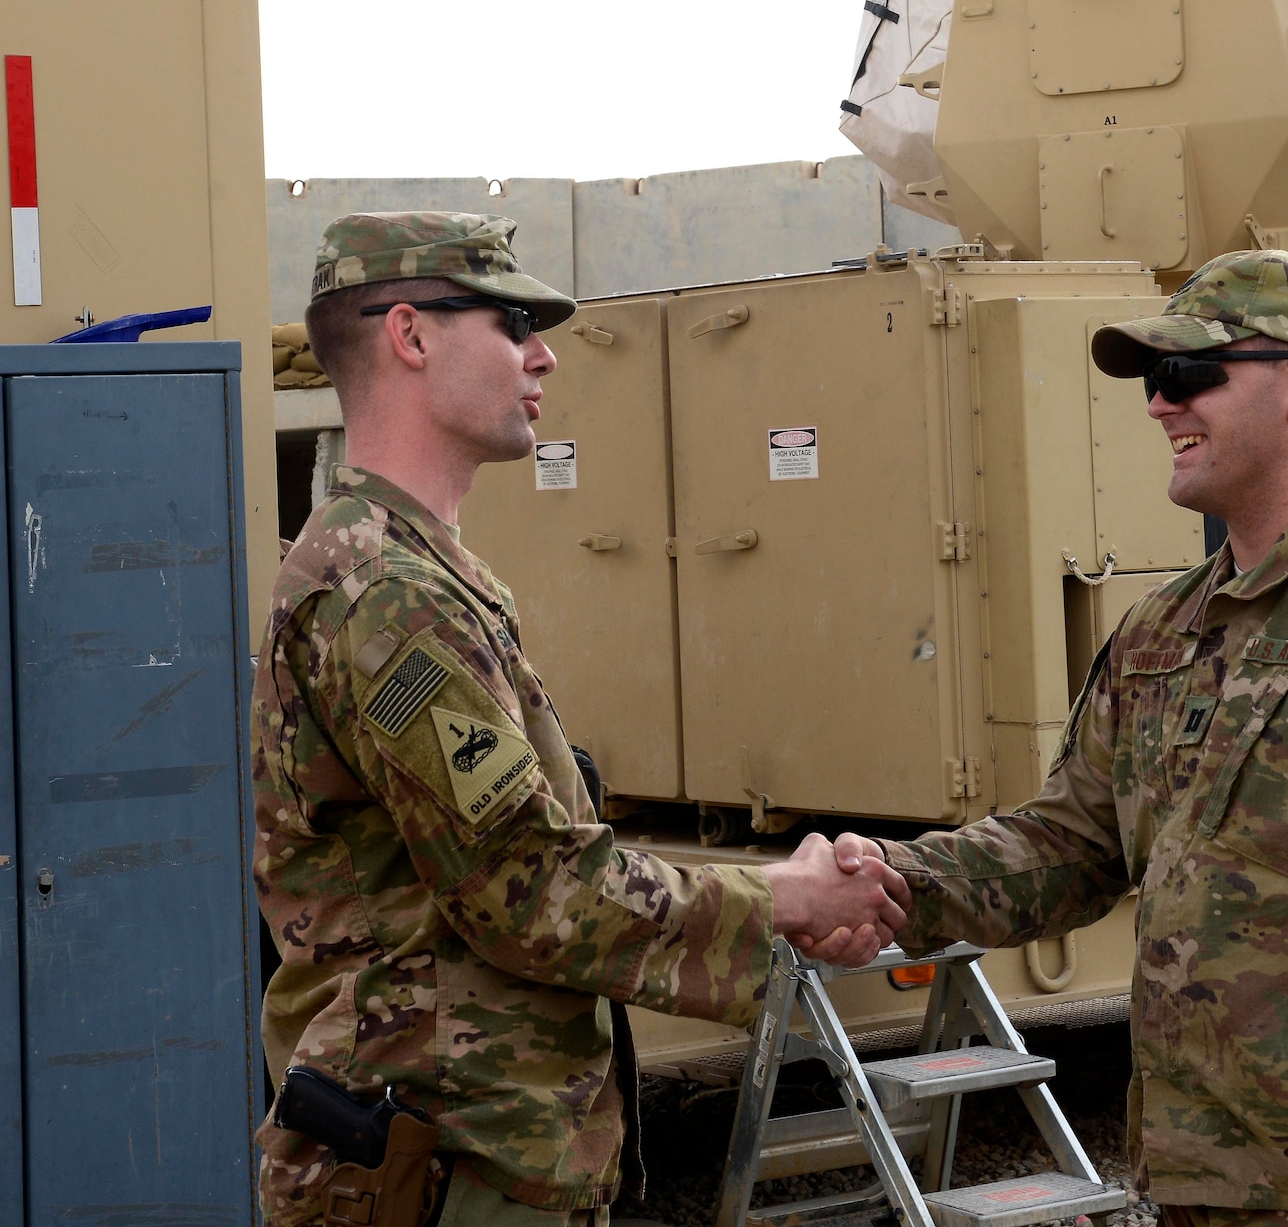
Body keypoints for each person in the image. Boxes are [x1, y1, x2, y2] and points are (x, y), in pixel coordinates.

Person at [828, 250, 1288, 1227]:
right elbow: (1067, 846)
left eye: (1188, 377)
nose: (1158, 405)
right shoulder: (1161, 634)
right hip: (1194, 1193)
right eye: (1152, 381)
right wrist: (890, 878)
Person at [253, 212, 907, 1226]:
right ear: (412, 335)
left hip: (475, 1151)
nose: (544, 351)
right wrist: (783, 895)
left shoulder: (418, 569)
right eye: (513, 320)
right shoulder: (385, 590)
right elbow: (535, 887)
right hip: (439, 1164)